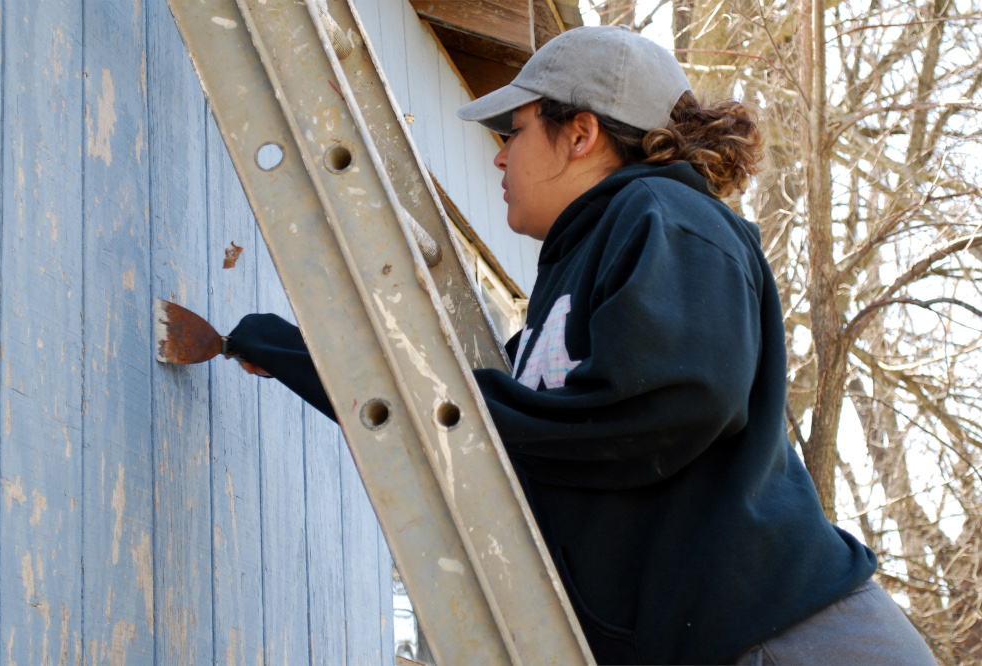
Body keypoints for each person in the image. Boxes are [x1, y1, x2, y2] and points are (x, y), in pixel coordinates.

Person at [227, 26, 936, 665]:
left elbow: (672, 400)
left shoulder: (668, 216)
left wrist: (488, 424)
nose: (500, 155)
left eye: (515, 128)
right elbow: (467, 413)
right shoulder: (582, 267)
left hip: (786, 637)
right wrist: (293, 353)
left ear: (581, 133)